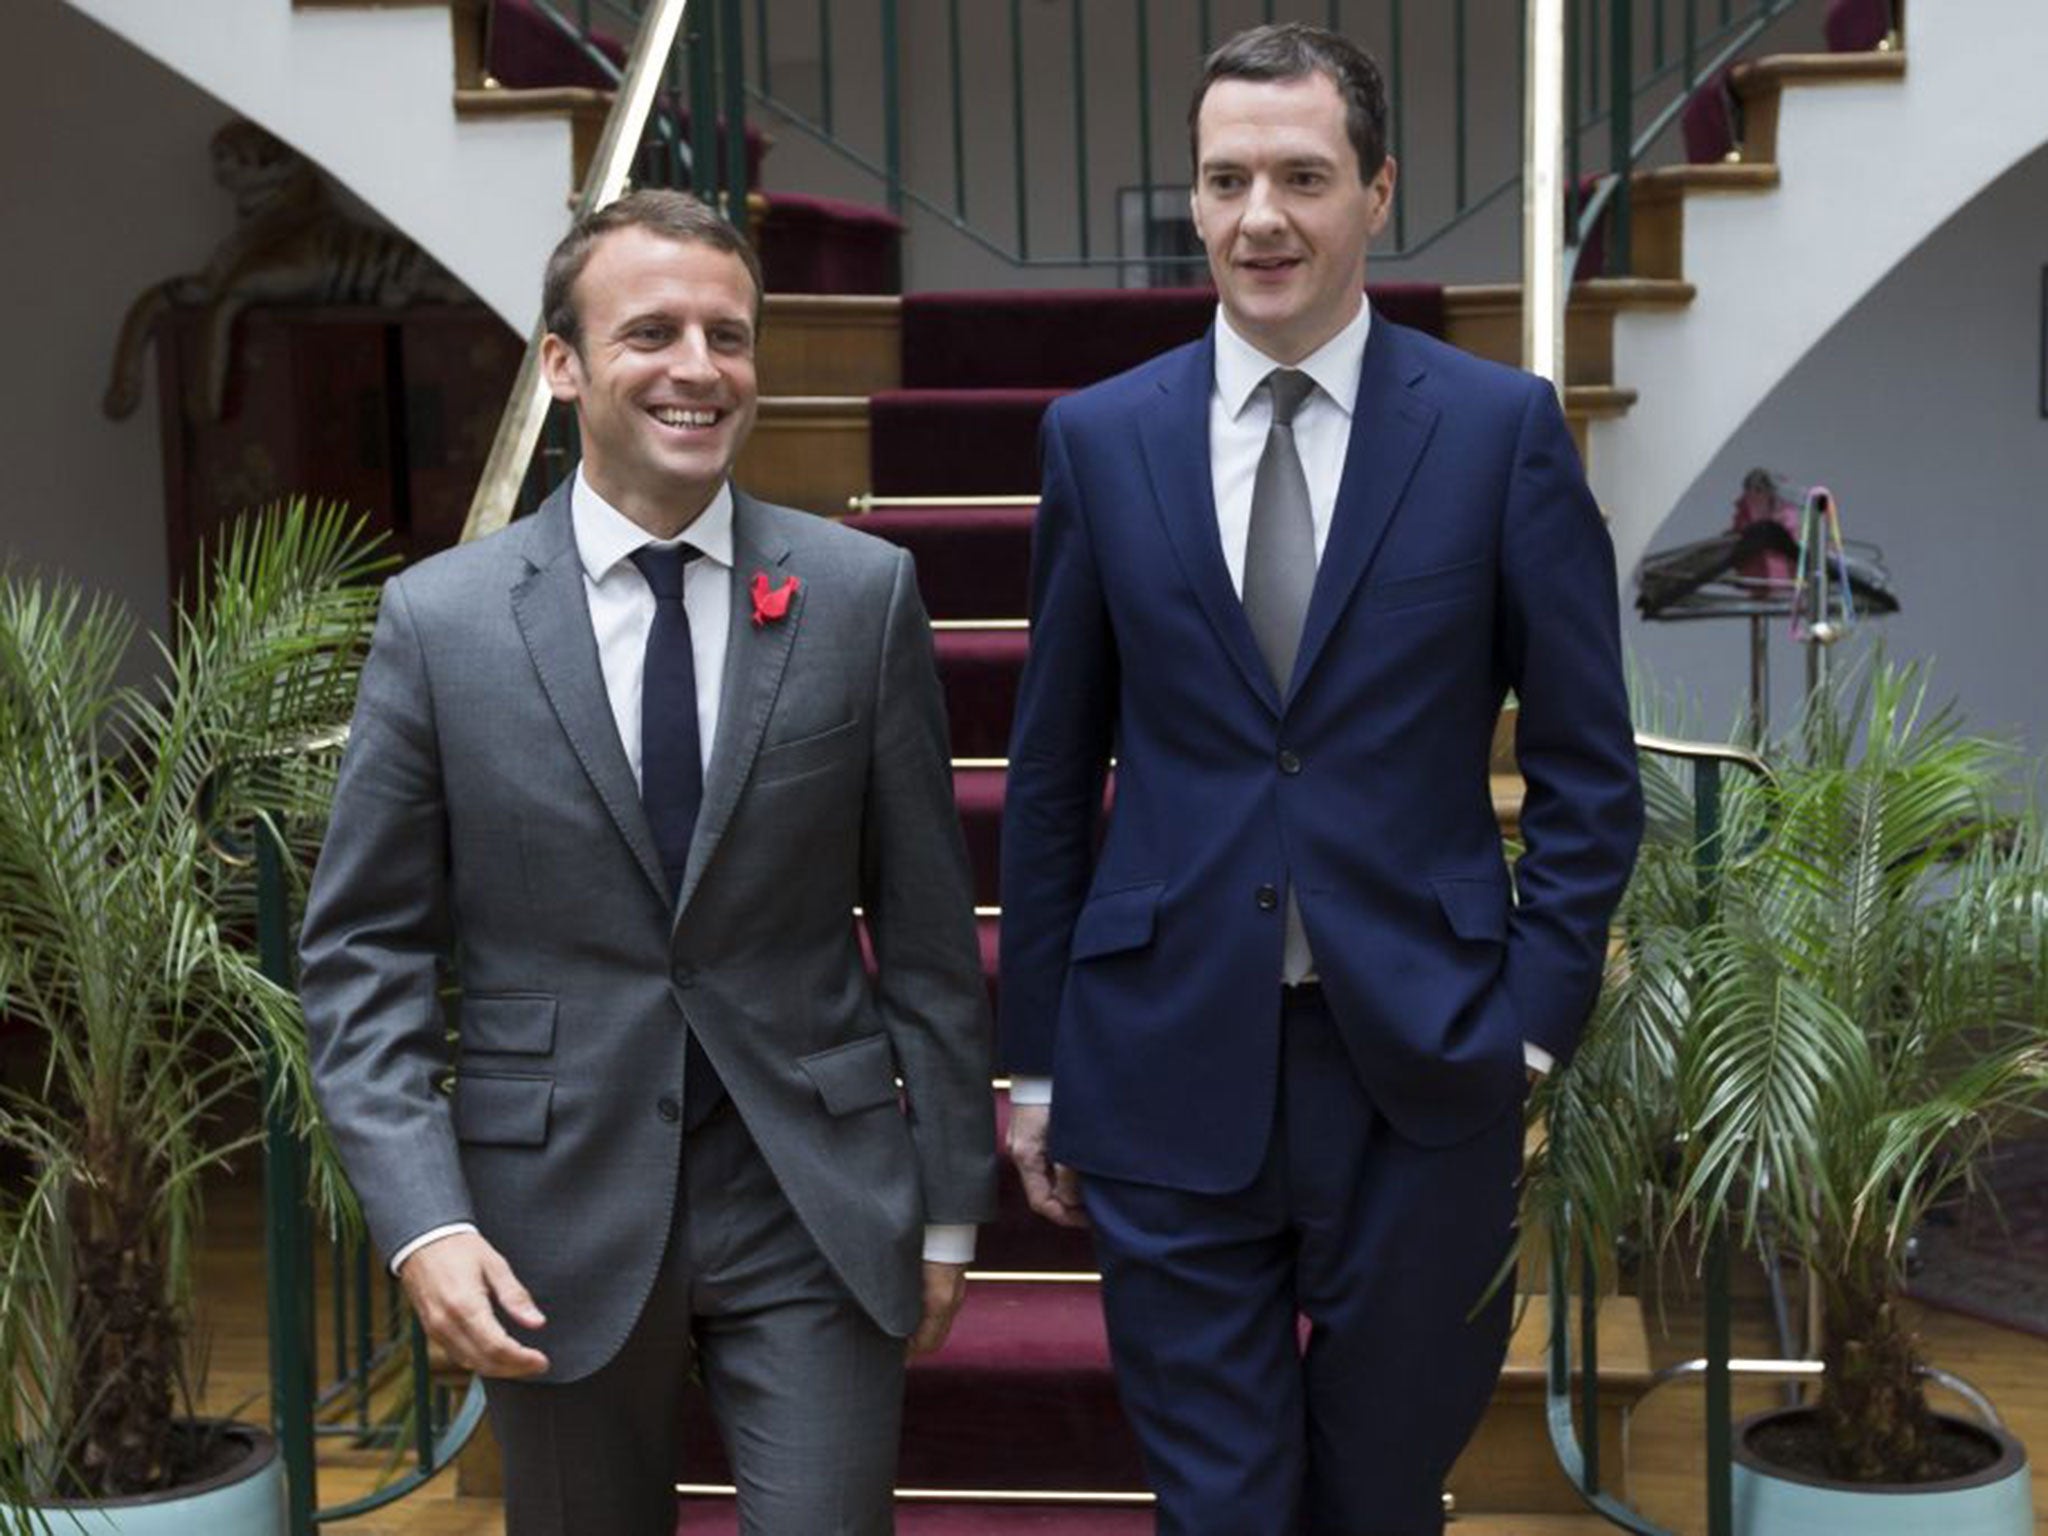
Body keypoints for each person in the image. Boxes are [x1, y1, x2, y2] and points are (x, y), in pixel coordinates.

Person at [999, 23, 1642, 1535]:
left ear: (1378, 192)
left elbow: (1586, 770)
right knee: (1218, 1505)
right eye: (1226, 180)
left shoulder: (1499, 436)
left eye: (1301, 175)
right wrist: (1035, 1060)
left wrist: (1532, 1032)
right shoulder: (1100, 441)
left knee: (1378, 1495)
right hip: (1165, 1057)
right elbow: (1046, 776)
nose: (1259, 217)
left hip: (1424, 1062)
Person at [299, 189, 996, 1536]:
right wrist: (425, 1222)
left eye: (728, 336)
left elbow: (923, 927)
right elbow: (363, 959)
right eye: (654, 332)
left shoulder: (860, 596)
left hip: (814, 1197)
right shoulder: (441, 625)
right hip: (546, 1218)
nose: (698, 369)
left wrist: (951, 1206)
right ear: (562, 365)